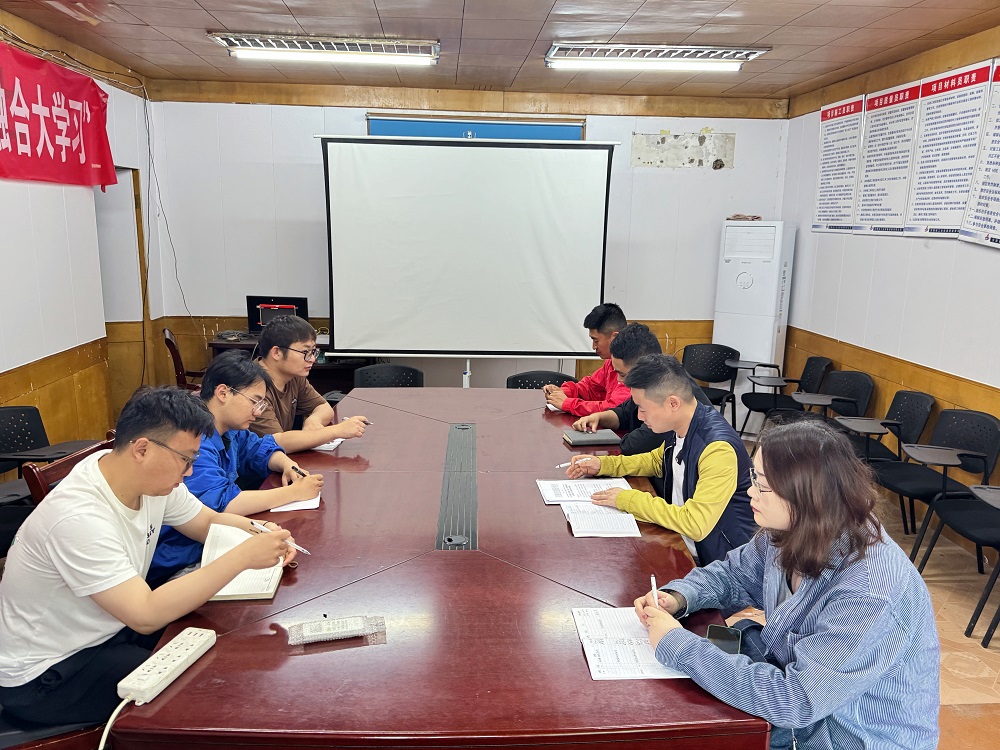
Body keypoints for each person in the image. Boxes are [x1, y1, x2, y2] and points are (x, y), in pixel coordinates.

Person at [0, 387, 298, 726]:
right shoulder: (78, 517)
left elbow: (208, 523)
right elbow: (144, 614)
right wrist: (242, 557)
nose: (189, 473)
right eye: (186, 460)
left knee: (225, 644)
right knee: (208, 690)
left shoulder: (144, 478)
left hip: (110, 628)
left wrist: (260, 531)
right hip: (49, 673)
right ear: (142, 449)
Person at [634, 419, 940, 750]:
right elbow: (733, 574)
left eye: (763, 486)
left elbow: (796, 701)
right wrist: (679, 596)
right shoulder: (793, 528)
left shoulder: (869, 592)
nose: (751, 492)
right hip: (804, 707)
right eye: (754, 477)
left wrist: (677, 645)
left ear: (806, 494)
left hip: (846, 736)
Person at [147, 351, 322, 585]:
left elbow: (260, 449)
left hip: (212, 540)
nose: (258, 411)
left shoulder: (230, 430)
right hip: (180, 558)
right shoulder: (194, 440)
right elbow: (222, 504)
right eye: (255, 401)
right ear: (223, 393)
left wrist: (287, 464)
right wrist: (294, 492)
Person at [566, 354, 755, 565]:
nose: (639, 417)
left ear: (672, 403)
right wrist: (603, 465)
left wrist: (628, 499)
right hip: (685, 543)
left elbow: (695, 523)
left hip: (721, 563)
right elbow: (657, 461)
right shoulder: (684, 425)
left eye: (643, 409)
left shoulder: (717, 449)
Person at [250, 315, 369, 449]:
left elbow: (323, 407)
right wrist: (337, 431)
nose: (312, 359)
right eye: (305, 352)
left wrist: (314, 421)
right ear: (277, 352)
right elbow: (277, 442)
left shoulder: (294, 376)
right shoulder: (252, 386)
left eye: (313, 352)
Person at [570, 322, 668, 457]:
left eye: (622, 374)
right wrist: (598, 417)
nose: (619, 380)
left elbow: (635, 445)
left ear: (645, 368)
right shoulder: (649, 383)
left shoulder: (668, 393)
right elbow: (625, 413)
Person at [542, 303, 631, 416]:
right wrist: (561, 392)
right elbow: (590, 388)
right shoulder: (610, 362)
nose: (594, 347)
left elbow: (614, 409)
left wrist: (568, 404)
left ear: (614, 337)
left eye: (596, 340)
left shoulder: (631, 365)